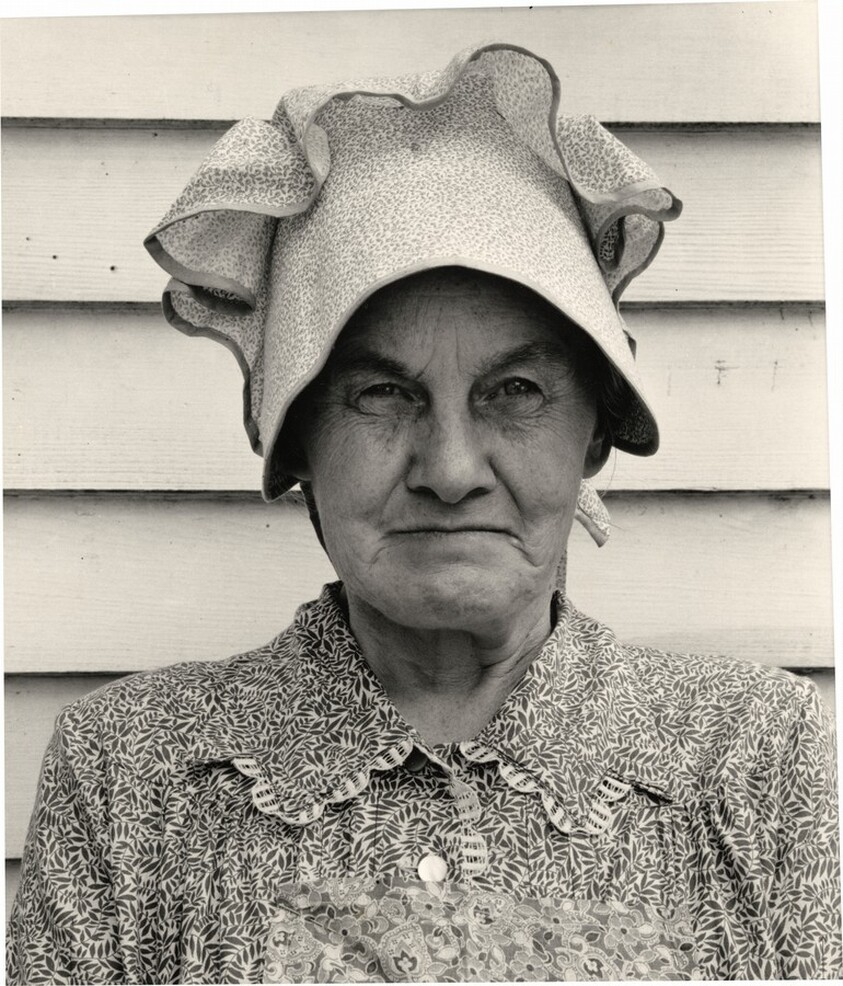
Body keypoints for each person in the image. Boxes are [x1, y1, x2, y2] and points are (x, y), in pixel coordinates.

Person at [7, 42, 840, 984]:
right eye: (381, 395)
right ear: (298, 447)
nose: (448, 470)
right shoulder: (132, 779)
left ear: (594, 437)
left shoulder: (751, 759)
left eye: (515, 389)